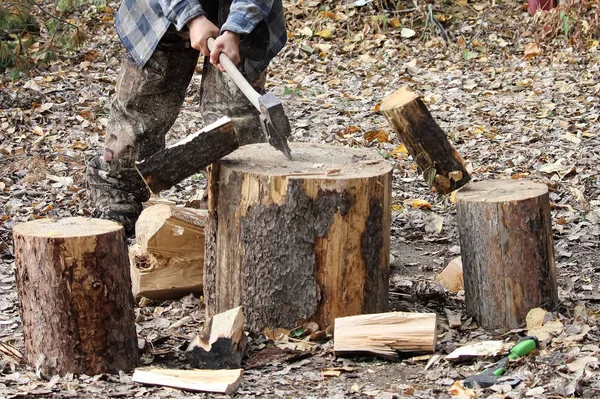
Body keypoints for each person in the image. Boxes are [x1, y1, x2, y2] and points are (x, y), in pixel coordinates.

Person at [86, 0, 287, 236]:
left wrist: (237, 27)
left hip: (241, 11)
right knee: (139, 118)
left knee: (233, 123)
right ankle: (117, 201)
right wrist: (191, 16)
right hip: (161, 10)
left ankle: (228, 210)